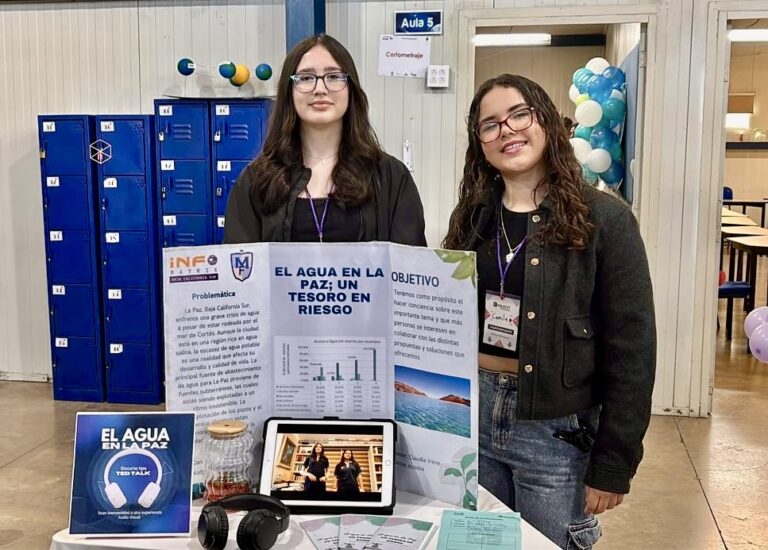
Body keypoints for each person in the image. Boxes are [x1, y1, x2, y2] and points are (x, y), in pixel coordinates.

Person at [443, 74, 655, 549]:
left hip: (555, 431)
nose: (507, 131)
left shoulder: (605, 219)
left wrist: (614, 462)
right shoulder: (473, 216)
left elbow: (633, 346)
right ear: (480, 143)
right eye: (490, 125)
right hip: (473, 417)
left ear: (545, 121)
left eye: (519, 114)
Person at [224, 34, 426, 245]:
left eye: (333, 77)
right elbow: (240, 267)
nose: (320, 89)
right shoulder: (256, 180)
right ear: (289, 91)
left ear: (351, 88)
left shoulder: (391, 177)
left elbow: (410, 268)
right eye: (305, 78)